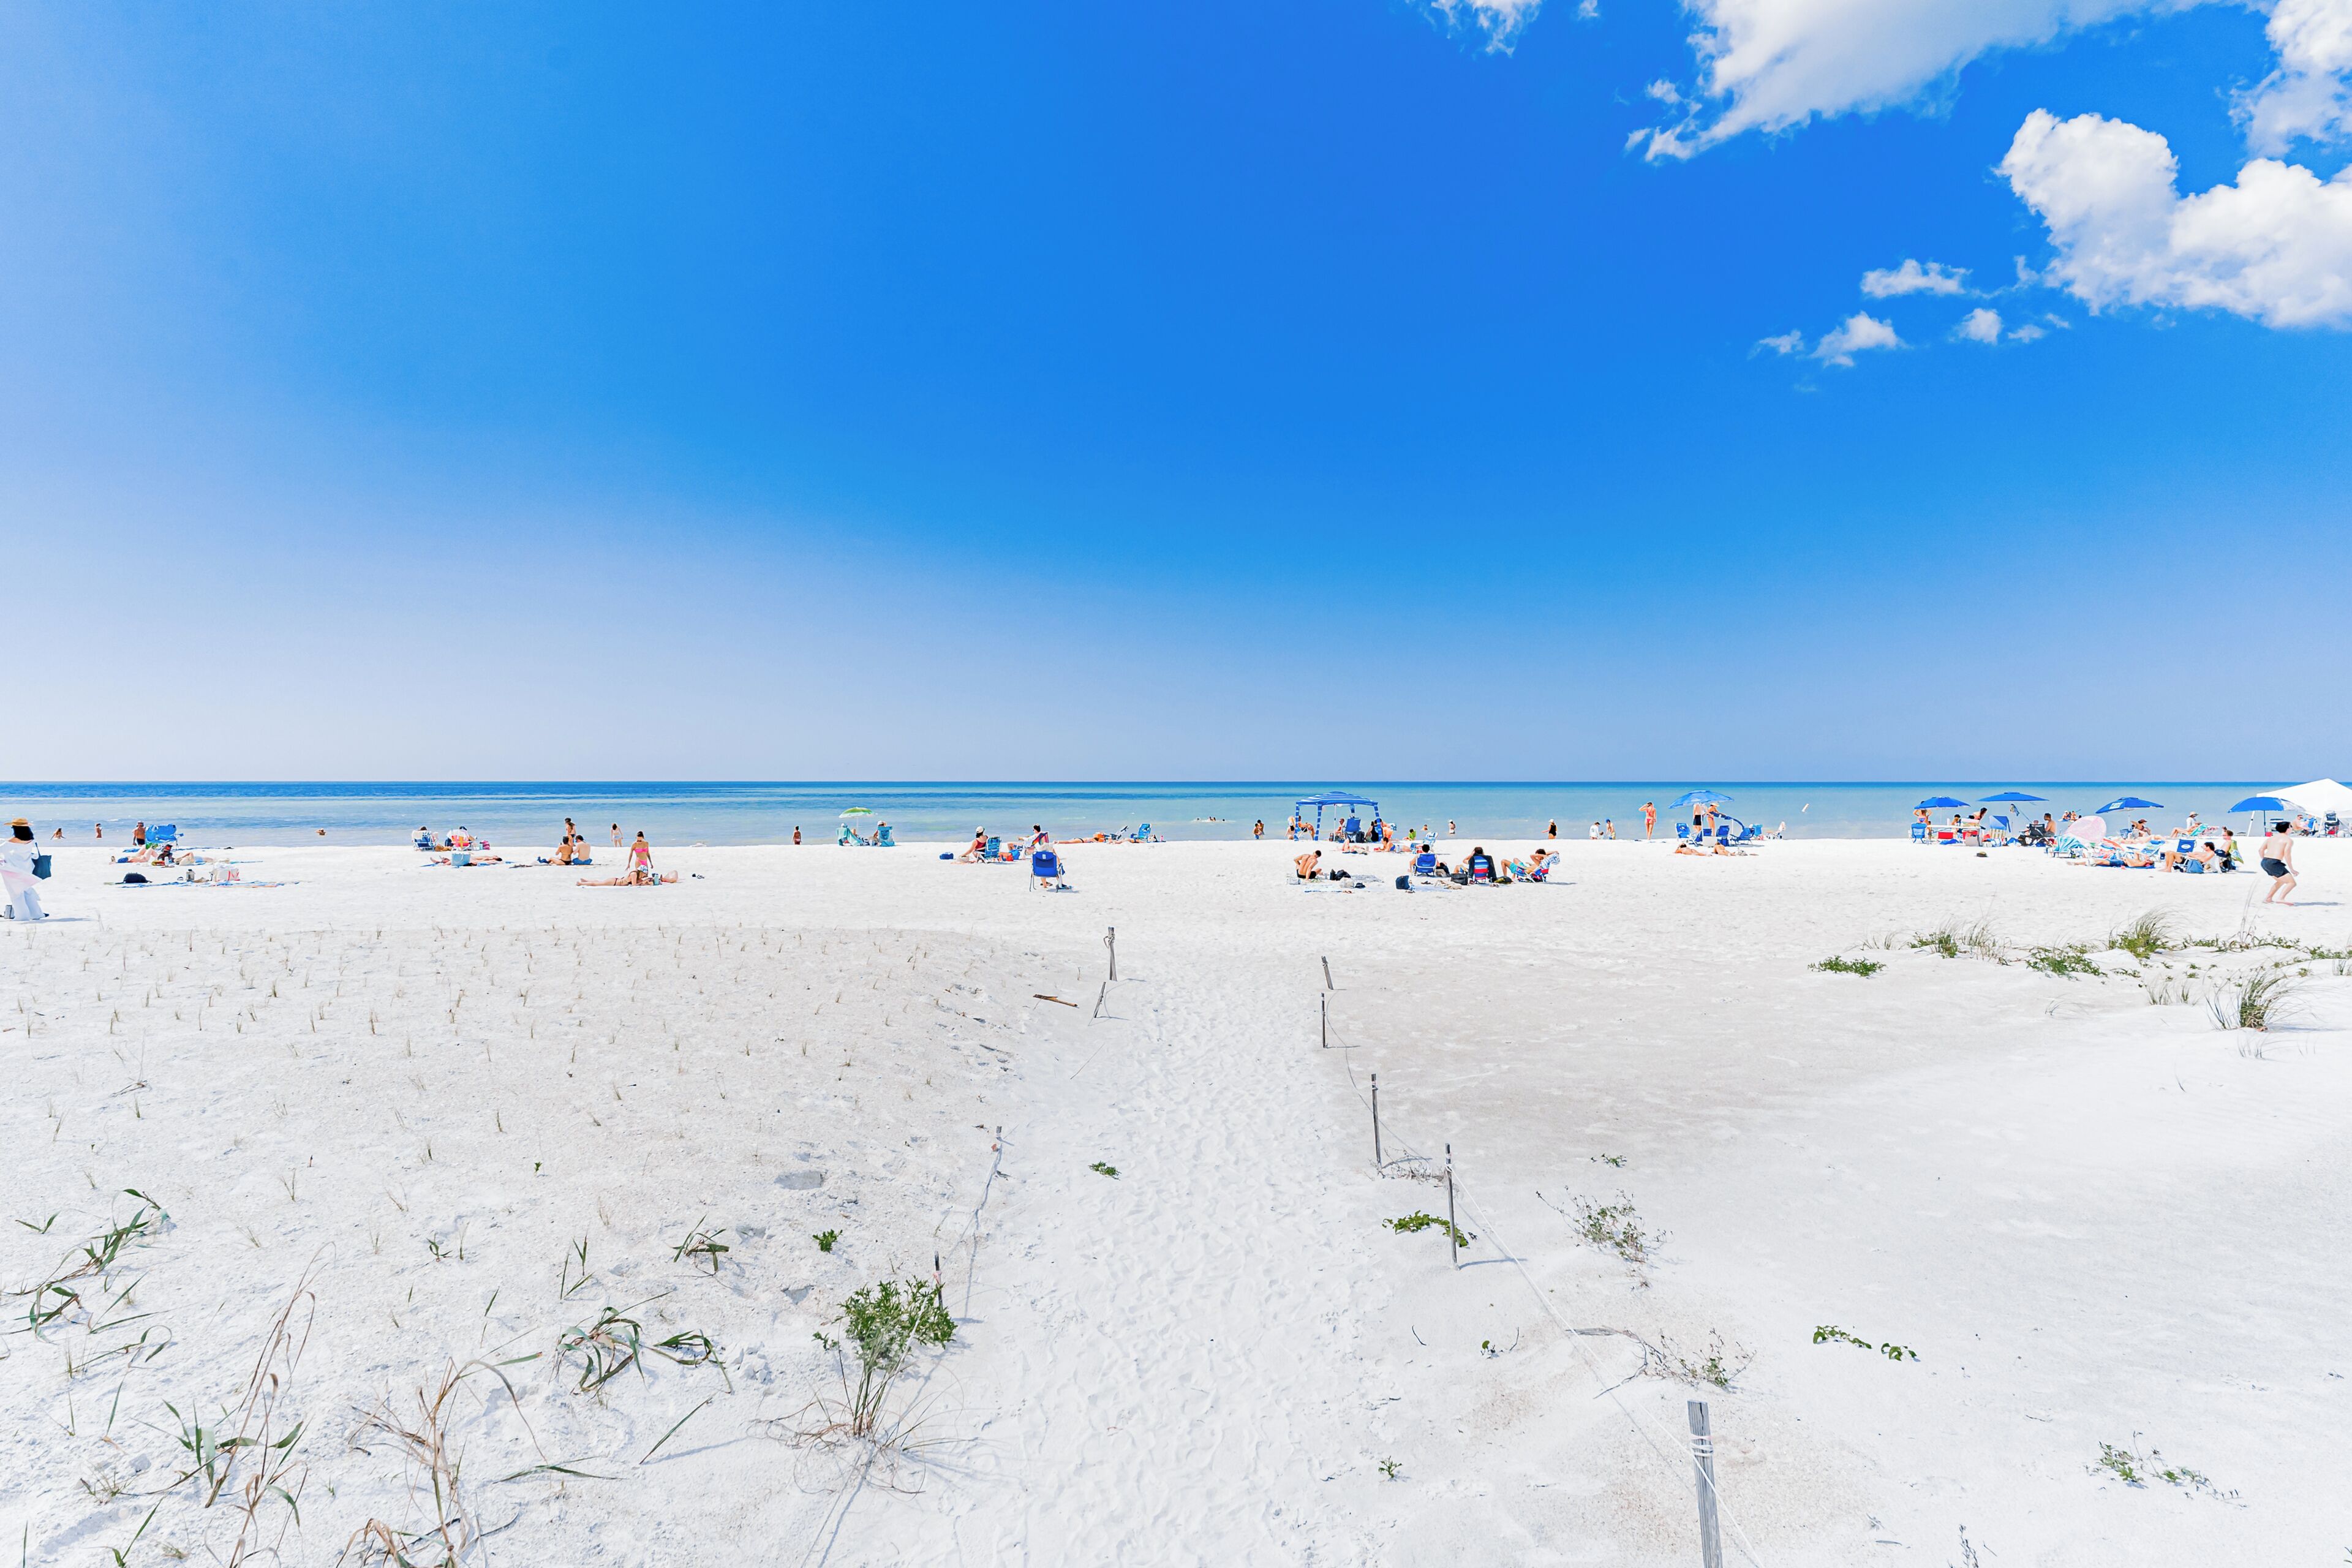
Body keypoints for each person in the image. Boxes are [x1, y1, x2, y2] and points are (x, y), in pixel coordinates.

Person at [2, 819, 46, 921]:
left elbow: (2, 849)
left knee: (16, 894)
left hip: (13, 871)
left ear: (16, 829)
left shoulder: (10, 842)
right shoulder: (30, 840)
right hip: (27, 869)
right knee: (28, 892)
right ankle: (36, 914)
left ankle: (22, 916)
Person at [2260, 821, 2298, 904]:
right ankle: (2281, 898)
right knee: (2292, 883)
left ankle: (2268, 899)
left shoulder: (2271, 838)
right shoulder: (2288, 840)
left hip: (2265, 862)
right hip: (2274, 862)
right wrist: (2292, 869)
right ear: (2287, 829)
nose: (2291, 828)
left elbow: (2261, 850)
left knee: (2281, 881)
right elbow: (2287, 855)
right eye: (2290, 827)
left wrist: (2265, 860)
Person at [579, 867, 679, 886]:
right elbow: (635, 885)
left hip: (616, 880)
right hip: (615, 883)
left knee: (599, 882)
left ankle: (585, 880)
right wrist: (644, 884)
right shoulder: (634, 874)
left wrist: (646, 881)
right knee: (596, 884)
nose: (646, 875)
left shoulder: (637, 874)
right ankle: (581, 883)